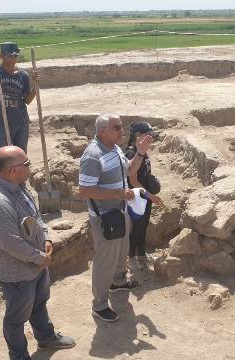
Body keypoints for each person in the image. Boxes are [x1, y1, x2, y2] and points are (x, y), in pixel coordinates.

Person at [0, 146, 75, 360]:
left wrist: (47, 237)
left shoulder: (19, 186)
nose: (30, 166)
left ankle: (46, 338)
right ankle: (19, 356)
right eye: (26, 163)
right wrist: (39, 258)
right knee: (16, 319)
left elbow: (36, 215)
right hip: (16, 271)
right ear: (13, 170)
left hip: (36, 262)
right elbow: (9, 243)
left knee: (39, 303)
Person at [78, 114, 153, 322]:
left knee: (121, 251)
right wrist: (118, 194)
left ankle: (118, 282)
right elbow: (85, 190)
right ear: (102, 131)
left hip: (120, 211)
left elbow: (129, 170)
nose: (122, 131)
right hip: (105, 217)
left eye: (122, 127)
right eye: (116, 127)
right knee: (105, 260)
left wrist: (140, 153)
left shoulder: (115, 148)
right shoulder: (93, 155)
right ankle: (99, 305)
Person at [0, 42, 37, 153]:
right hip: (2, 121)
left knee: (20, 154)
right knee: (4, 155)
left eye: (15, 55)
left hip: (21, 122)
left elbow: (27, 100)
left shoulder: (23, 75)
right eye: (10, 56)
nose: (13, 58)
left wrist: (36, 85)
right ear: (2, 55)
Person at [124, 121, 163, 270]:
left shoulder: (142, 151)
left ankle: (141, 254)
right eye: (148, 135)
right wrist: (151, 195)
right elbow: (133, 180)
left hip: (145, 196)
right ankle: (131, 258)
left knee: (144, 226)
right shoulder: (131, 153)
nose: (151, 139)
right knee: (137, 227)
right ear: (138, 136)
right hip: (137, 197)